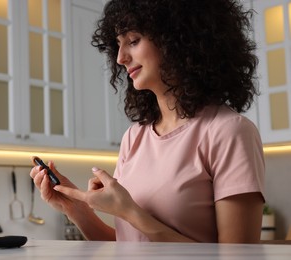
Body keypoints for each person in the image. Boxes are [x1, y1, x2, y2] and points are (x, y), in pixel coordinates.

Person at [30, 0, 265, 243]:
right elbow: (128, 247)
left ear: (178, 38)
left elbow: (238, 257)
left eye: (133, 41)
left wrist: (130, 212)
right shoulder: (134, 137)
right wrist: (76, 208)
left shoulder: (229, 132)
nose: (121, 58)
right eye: (118, 45)